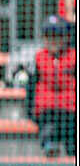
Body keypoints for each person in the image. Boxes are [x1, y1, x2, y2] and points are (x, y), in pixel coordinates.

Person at [26, 15, 76, 157]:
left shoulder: (73, 57)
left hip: (70, 113)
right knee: (49, 132)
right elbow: (30, 87)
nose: (53, 40)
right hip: (46, 113)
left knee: (72, 138)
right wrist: (31, 112)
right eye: (49, 35)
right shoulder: (39, 58)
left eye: (57, 35)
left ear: (66, 37)